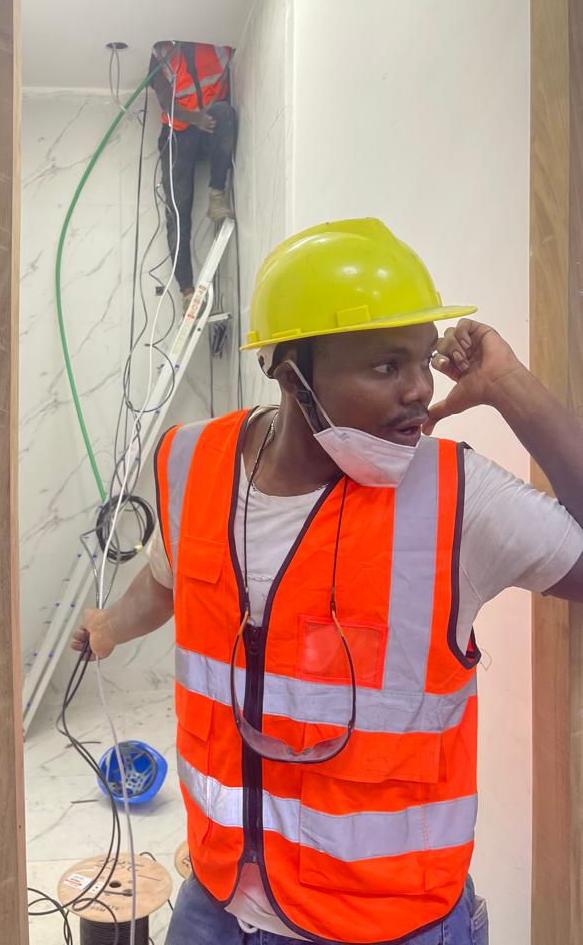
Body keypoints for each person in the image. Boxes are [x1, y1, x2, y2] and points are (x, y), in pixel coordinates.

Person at [73, 218, 583, 945]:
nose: (420, 390)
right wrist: (109, 628)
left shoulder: (455, 496)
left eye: (423, 359)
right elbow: (169, 578)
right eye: (385, 366)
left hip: (386, 923)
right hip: (218, 899)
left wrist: (509, 386)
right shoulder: (195, 462)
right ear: (291, 373)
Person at [149, 40, 237, 308]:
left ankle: (216, 195)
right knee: (178, 211)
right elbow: (165, 100)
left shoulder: (216, 45)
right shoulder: (162, 53)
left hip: (207, 127)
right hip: (177, 135)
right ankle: (187, 290)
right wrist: (193, 118)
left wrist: (203, 120)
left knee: (225, 112)